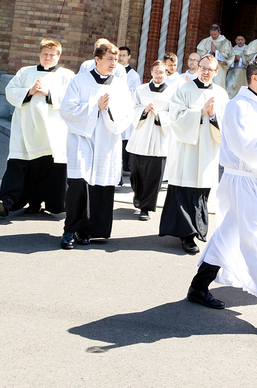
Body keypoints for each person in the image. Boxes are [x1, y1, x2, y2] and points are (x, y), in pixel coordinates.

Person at [186, 58, 257, 329]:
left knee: (228, 234)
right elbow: (247, 148)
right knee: (253, 239)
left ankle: (198, 286)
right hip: (241, 179)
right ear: (254, 77)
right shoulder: (238, 106)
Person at [59, 41, 135, 249]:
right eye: (110, 58)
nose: (114, 63)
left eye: (116, 59)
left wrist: (107, 110)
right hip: (81, 139)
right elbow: (67, 110)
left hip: (106, 141)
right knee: (78, 185)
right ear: (97, 59)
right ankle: (70, 230)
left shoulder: (119, 85)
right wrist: (95, 106)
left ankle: (90, 231)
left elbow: (127, 114)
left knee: (101, 186)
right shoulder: (79, 80)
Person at [0, 38, 75, 217]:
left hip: (52, 131)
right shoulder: (25, 72)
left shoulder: (67, 76)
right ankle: (7, 202)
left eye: (52, 55)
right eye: (45, 54)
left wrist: (48, 93)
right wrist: (29, 91)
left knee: (49, 168)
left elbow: (72, 100)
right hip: (25, 128)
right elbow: (10, 91)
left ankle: (46, 203)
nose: (48, 57)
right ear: (39, 54)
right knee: (18, 164)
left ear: (58, 56)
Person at [160, 54, 229, 254]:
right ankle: (186, 235)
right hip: (186, 150)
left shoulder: (221, 93)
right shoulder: (185, 89)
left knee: (200, 193)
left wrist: (213, 115)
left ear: (216, 72)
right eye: (203, 68)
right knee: (184, 190)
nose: (206, 72)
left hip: (207, 150)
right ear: (197, 68)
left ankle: (197, 230)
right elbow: (175, 117)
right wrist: (200, 113)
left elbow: (227, 122)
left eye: (210, 69)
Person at [126, 61, 174, 221]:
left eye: (162, 72)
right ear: (151, 72)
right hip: (140, 136)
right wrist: (144, 110)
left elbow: (174, 114)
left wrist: (160, 115)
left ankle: (145, 208)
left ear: (166, 73)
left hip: (159, 137)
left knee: (153, 176)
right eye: (156, 72)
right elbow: (131, 109)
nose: (159, 75)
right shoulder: (140, 90)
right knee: (135, 173)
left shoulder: (172, 93)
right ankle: (138, 197)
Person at [118, 46, 142, 179]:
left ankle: (126, 166)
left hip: (126, 109)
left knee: (125, 139)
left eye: (123, 55)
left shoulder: (133, 75)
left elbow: (134, 92)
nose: (120, 58)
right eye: (119, 55)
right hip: (114, 109)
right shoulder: (113, 71)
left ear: (129, 57)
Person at [197, 24, 233, 89]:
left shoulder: (226, 43)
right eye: (211, 34)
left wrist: (216, 52)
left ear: (219, 32)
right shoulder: (206, 41)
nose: (213, 36)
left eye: (215, 34)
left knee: (217, 86)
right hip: (207, 68)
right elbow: (200, 53)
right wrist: (210, 52)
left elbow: (229, 57)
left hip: (220, 69)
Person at [225, 35, 247, 99]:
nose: (240, 41)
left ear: (244, 40)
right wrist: (232, 59)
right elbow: (227, 60)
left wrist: (240, 59)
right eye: (238, 40)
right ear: (235, 41)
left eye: (242, 40)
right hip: (233, 72)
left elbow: (249, 61)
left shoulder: (247, 49)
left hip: (243, 73)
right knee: (230, 86)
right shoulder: (232, 49)